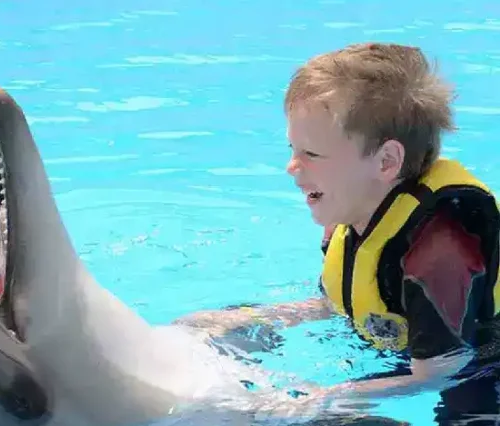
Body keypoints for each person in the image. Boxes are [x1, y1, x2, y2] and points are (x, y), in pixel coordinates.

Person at [174, 42, 500, 424]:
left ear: (385, 162)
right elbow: (349, 302)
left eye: (311, 154)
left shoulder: (440, 252)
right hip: (410, 345)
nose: (292, 167)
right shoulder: (353, 212)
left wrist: (331, 396)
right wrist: (263, 317)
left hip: (479, 365)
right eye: (293, 149)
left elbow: (440, 370)